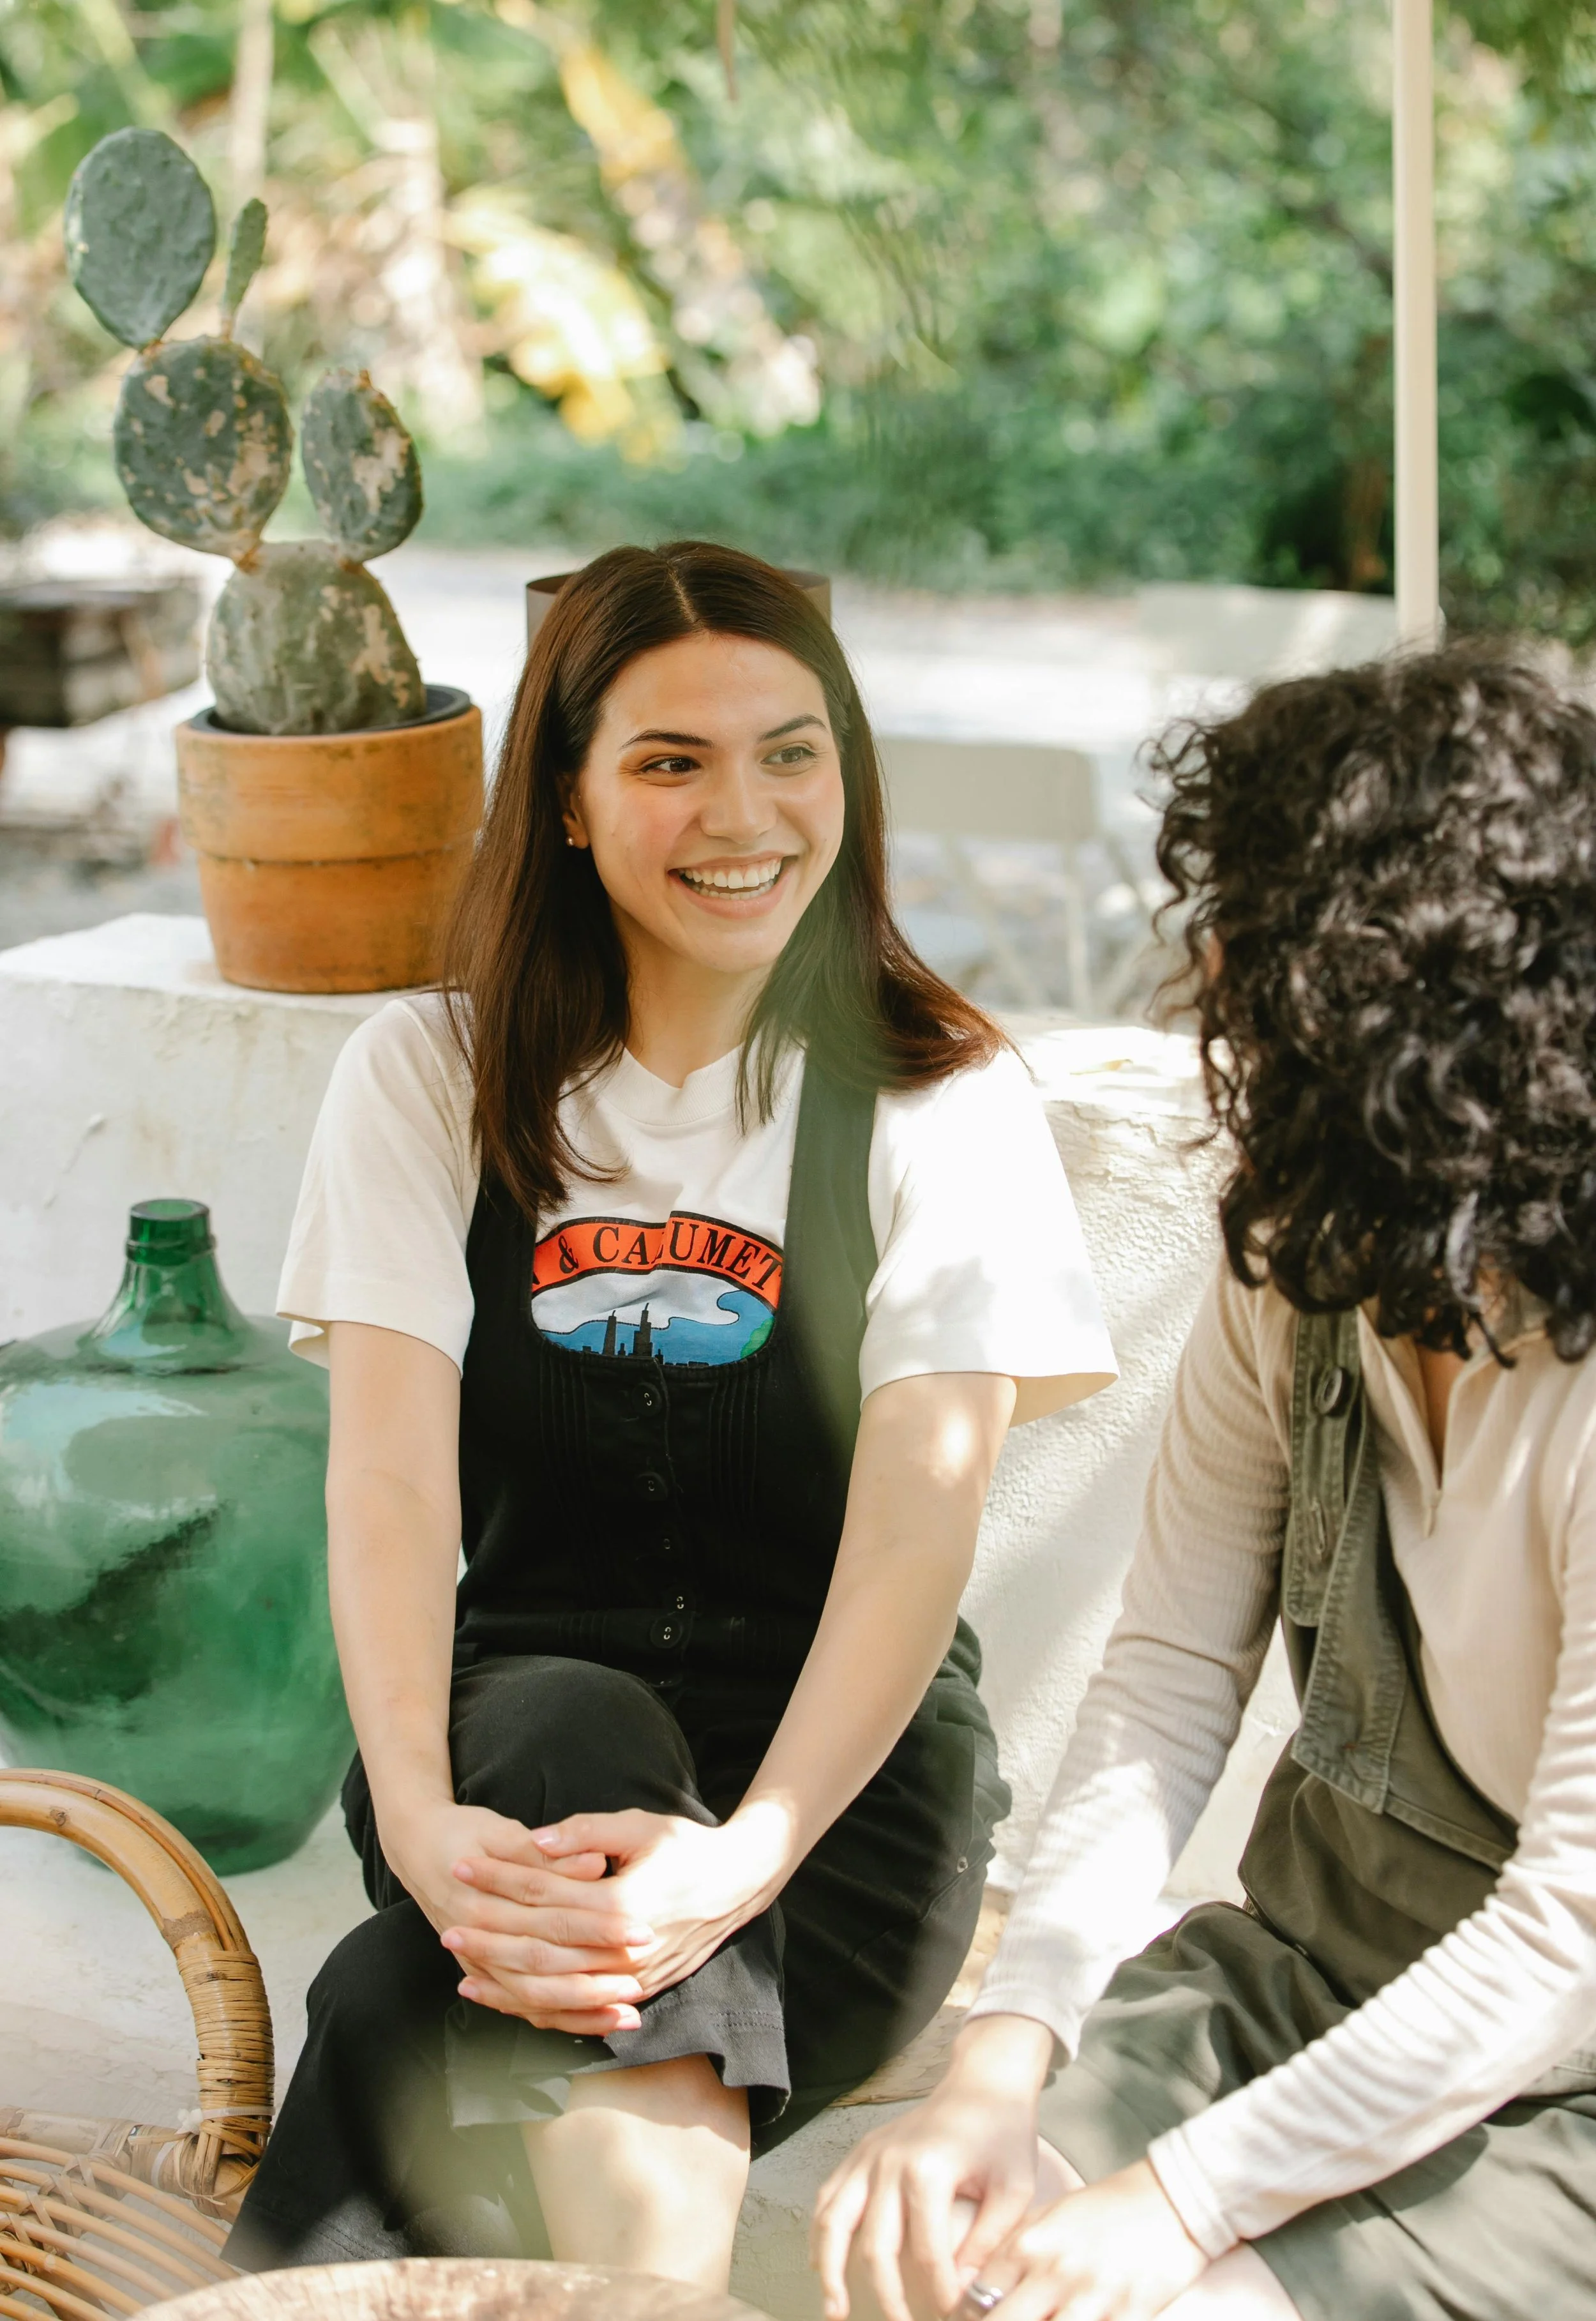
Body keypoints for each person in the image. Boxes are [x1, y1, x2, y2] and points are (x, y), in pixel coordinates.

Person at [227, 541, 1116, 2287]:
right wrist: (414, 1820)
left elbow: (913, 1537)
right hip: (498, 1779)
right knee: (564, 1714)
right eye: (669, 761)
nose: (749, 811)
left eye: (794, 750)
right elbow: (391, 1496)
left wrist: (739, 1862)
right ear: (561, 803)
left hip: (841, 1813)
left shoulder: (940, 1100)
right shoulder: (426, 1079)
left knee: (398, 1997)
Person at [813, 646, 1596, 2321]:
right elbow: (1166, 1681)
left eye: (1243, 930)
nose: (1208, 973)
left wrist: (1178, 2208)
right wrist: (1000, 2069)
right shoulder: (1305, 1254)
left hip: (1569, 2092)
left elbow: (1564, 1943)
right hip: (1301, 1977)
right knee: (923, 2252)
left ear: (1383, 983)